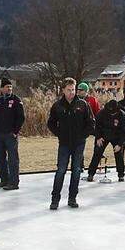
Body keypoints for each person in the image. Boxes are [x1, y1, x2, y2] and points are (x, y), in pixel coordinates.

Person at [47, 78, 95, 210]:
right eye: (69, 90)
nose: (71, 93)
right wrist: (59, 133)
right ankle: (55, 199)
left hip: (79, 143)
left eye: (73, 90)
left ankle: (72, 198)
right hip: (64, 143)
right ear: (63, 90)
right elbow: (50, 123)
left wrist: (83, 135)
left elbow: (91, 123)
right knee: (61, 170)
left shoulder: (83, 104)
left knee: (76, 171)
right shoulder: (58, 105)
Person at [0, 78, 25, 190]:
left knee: (13, 159)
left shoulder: (16, 100)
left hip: (10, 135)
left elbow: (21, 117)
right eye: (7, 87)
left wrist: (16, 131)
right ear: (1, 88)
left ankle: (14, 182)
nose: (9, 89)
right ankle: (4, 180)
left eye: (10, 87)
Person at [87, 100, 125, 182]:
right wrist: (98, 137)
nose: (112, 114)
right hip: (103, 136)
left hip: (117, 137)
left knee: (119, 155)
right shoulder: (101, 113)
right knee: (97, 153)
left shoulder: (122, 115)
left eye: (113, 113)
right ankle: (91, 174)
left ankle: (121, 175)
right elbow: (96, 126)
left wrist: (120, 144)